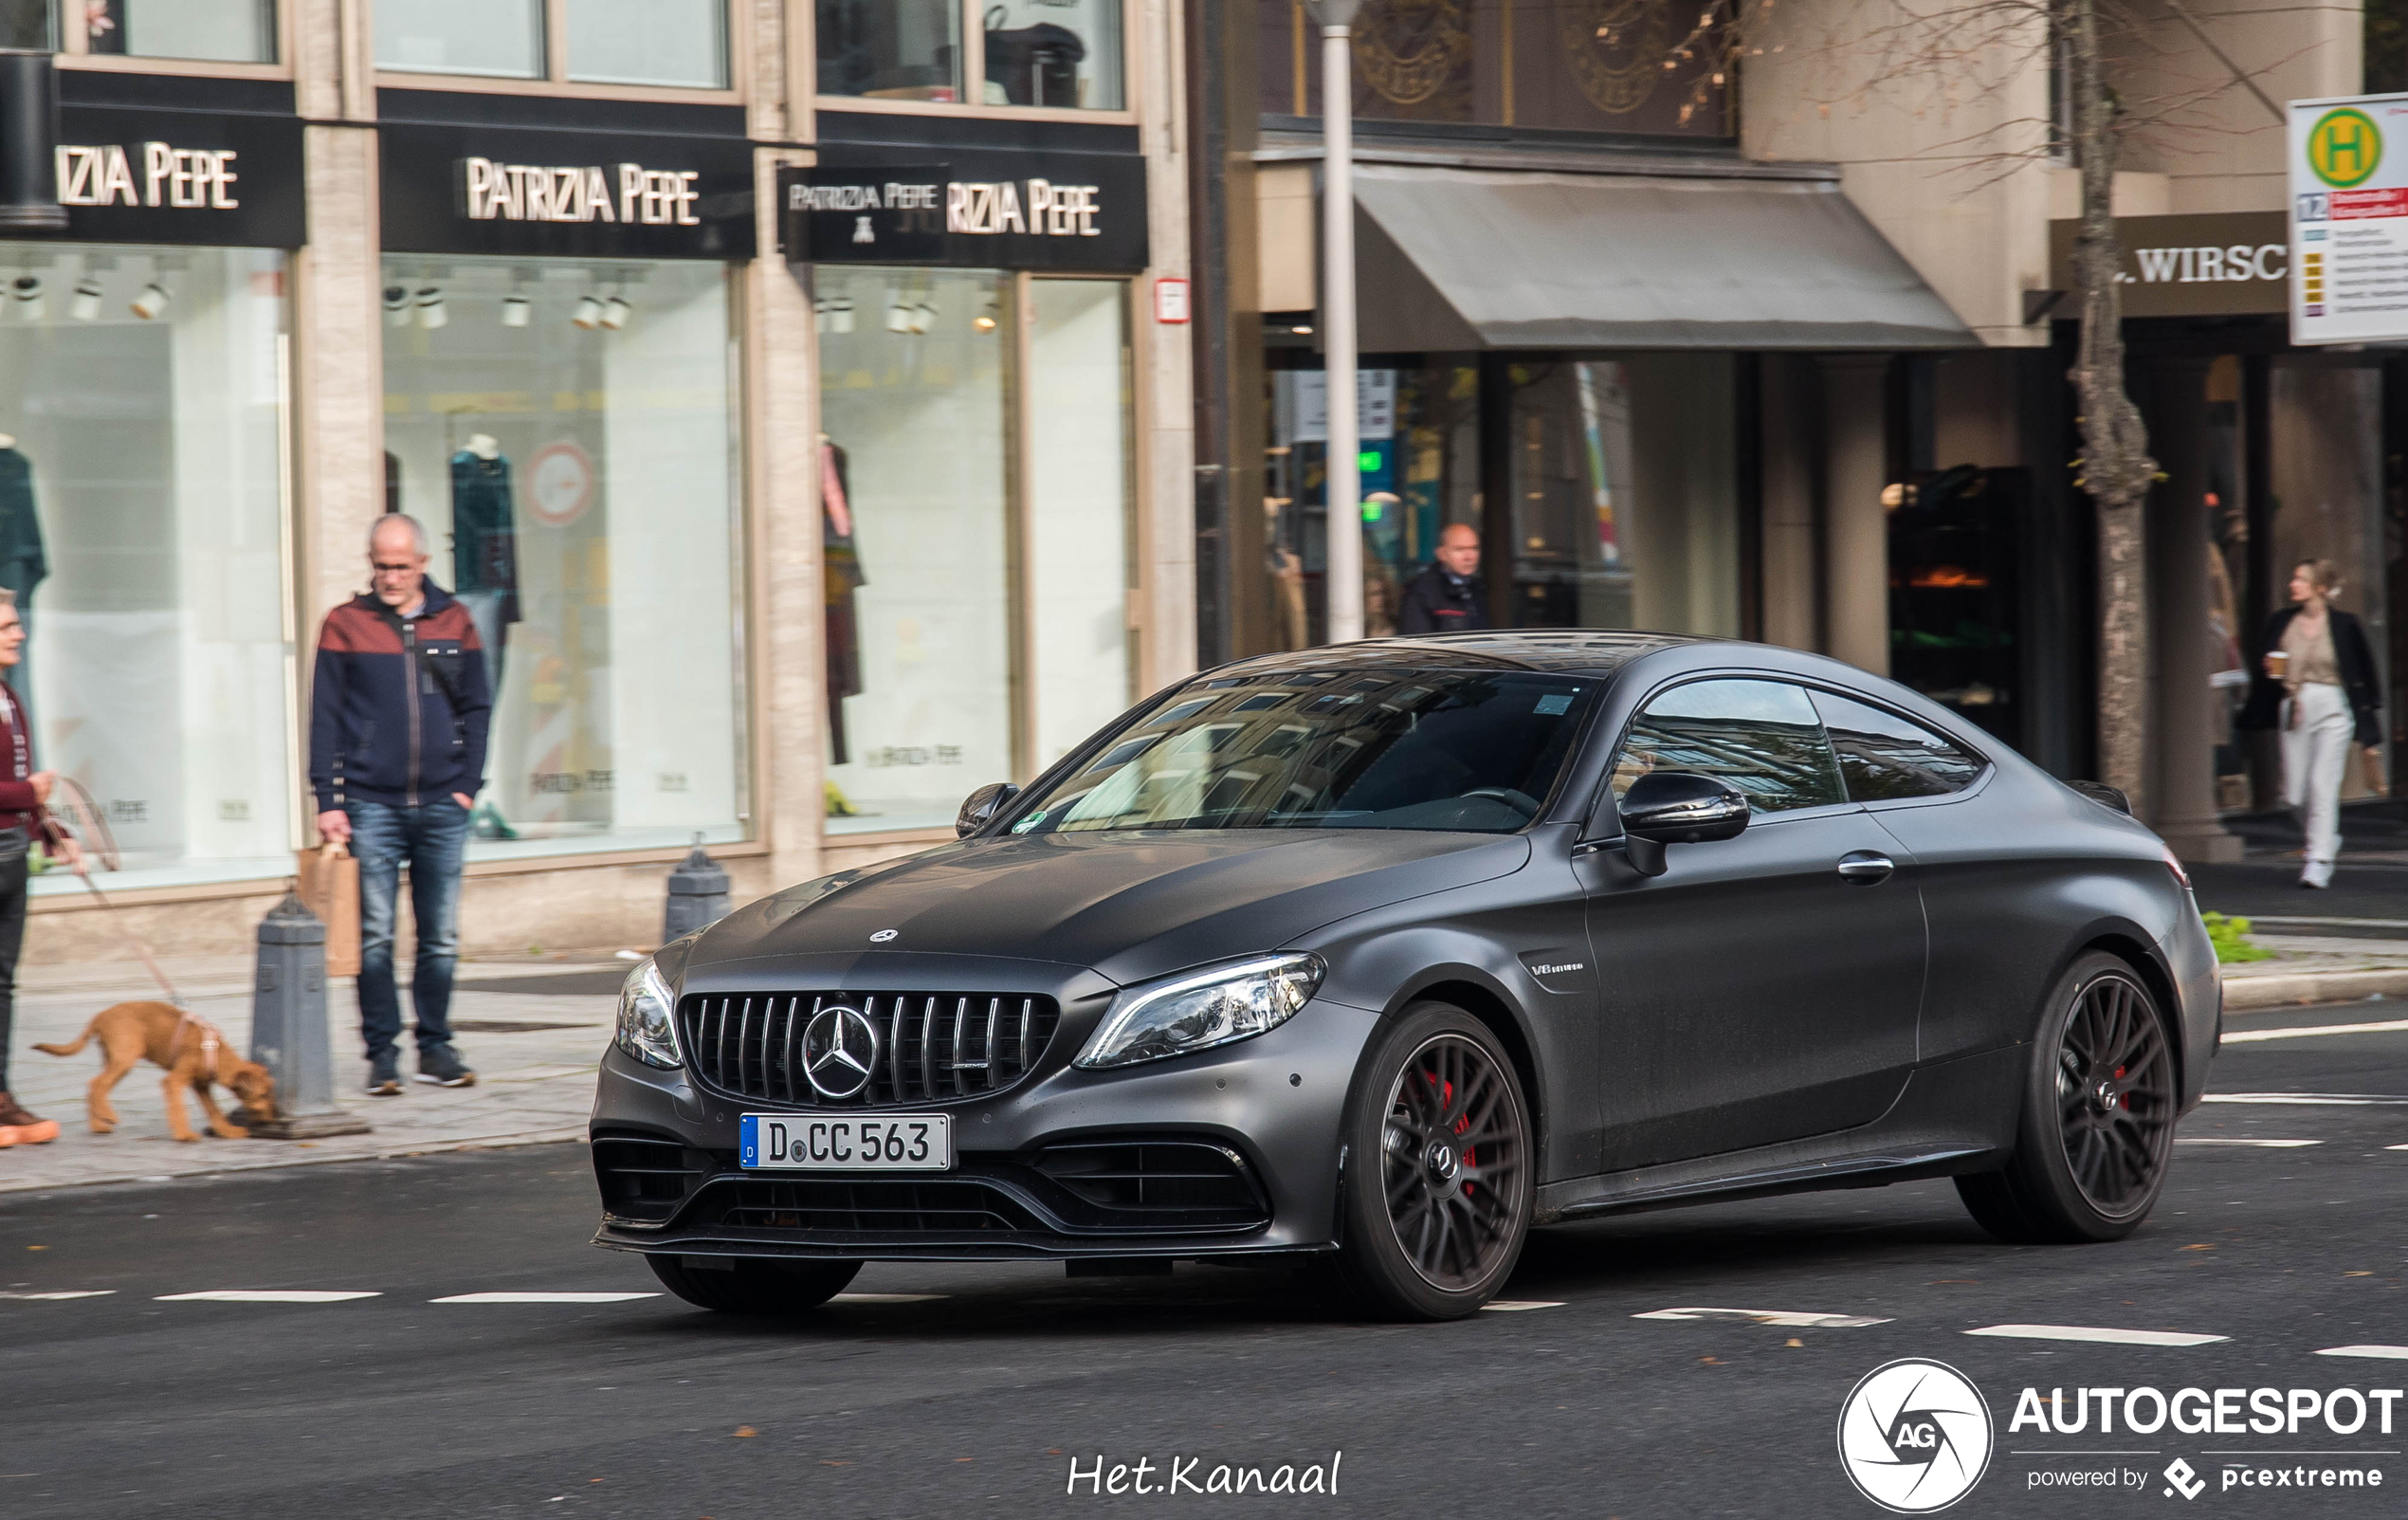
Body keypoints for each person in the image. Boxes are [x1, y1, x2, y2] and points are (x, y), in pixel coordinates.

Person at [309, 514, 490, 1094]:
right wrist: (327, 799)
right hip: (369, 804)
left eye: (401, 566)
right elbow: (325, 719)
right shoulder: (345, 624)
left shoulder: (455, 620)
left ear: (422, 564)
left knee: (439, 936)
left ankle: (436, 1048)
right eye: (381, 565)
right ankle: (382, 1054)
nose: (390, 577)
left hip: (443, 802)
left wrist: (468, 785)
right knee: (375, 935)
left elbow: (478, 707)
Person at [2238, 559, 2382, 889]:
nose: (2293, 584)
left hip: (2333, 708)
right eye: (2293, 578)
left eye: (2300, 579)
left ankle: (2318, 860)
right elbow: (2271, 671)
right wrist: (2268, 670)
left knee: (2321, 786)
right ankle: (2324, 838)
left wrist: (2370, 729)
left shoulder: (2345, 624)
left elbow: (2364, 675)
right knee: (2293, 794)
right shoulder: (2282, 621)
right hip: (2295, 707)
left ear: (2320, 587)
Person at [0, 590, 76, 1146]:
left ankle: (1, 1096)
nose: (19, 634)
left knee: (3, 983)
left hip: (10, 855)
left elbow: (23, 783)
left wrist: (49, 830)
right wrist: (29, 791)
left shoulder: (10, 695)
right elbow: (22, 783)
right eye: (7, 626)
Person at [1397, 522, 1489, 635]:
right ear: (1442, 554)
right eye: (1459, 549)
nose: (1469, 557)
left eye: (1474, 548)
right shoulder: (1422, 592)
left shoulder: (1477, 589)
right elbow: (1417, 644)